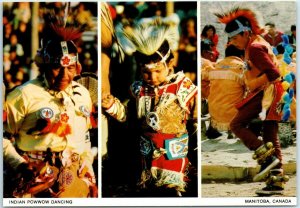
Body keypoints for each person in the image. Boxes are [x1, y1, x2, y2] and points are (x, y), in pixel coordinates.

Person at [102, 22, 198, 197]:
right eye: (146, 72)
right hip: (145, 160)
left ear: (170, 63)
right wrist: (112, 106)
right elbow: (127, 116)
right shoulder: (138, 89)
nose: (152, 77)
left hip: (174, 160)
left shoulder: (184, 87)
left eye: (158, 71)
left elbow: (196, 119)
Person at [4, 20, 97, 198]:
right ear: (44, 66)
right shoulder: (24, 94)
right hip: (33, 178)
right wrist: (19, 165)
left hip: (74, 178)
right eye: (56, 67)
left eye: (70, 68)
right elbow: (3, 136)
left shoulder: (82, 94)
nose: (64, 75)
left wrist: (88, 171)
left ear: (77, 68)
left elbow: (84, 138)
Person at [215, 6, 289, 195]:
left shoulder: (255, 47)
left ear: (245, 32)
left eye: (234, 37)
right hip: (273, 93)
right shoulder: (254, 44)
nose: (232, 42)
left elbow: (273, 73)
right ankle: (276, 183)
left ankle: (265, 156)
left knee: (237, 124)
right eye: (230, 38)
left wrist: (254, 83)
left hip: (267, 93)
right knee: (272, 137)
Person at [202, 45, 246, 137]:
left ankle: (214, 128)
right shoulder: (241, 67)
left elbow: (203, 76)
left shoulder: (216, 65)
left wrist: (208, 92)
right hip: (233, 114)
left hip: (214, 111)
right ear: (241, 56)